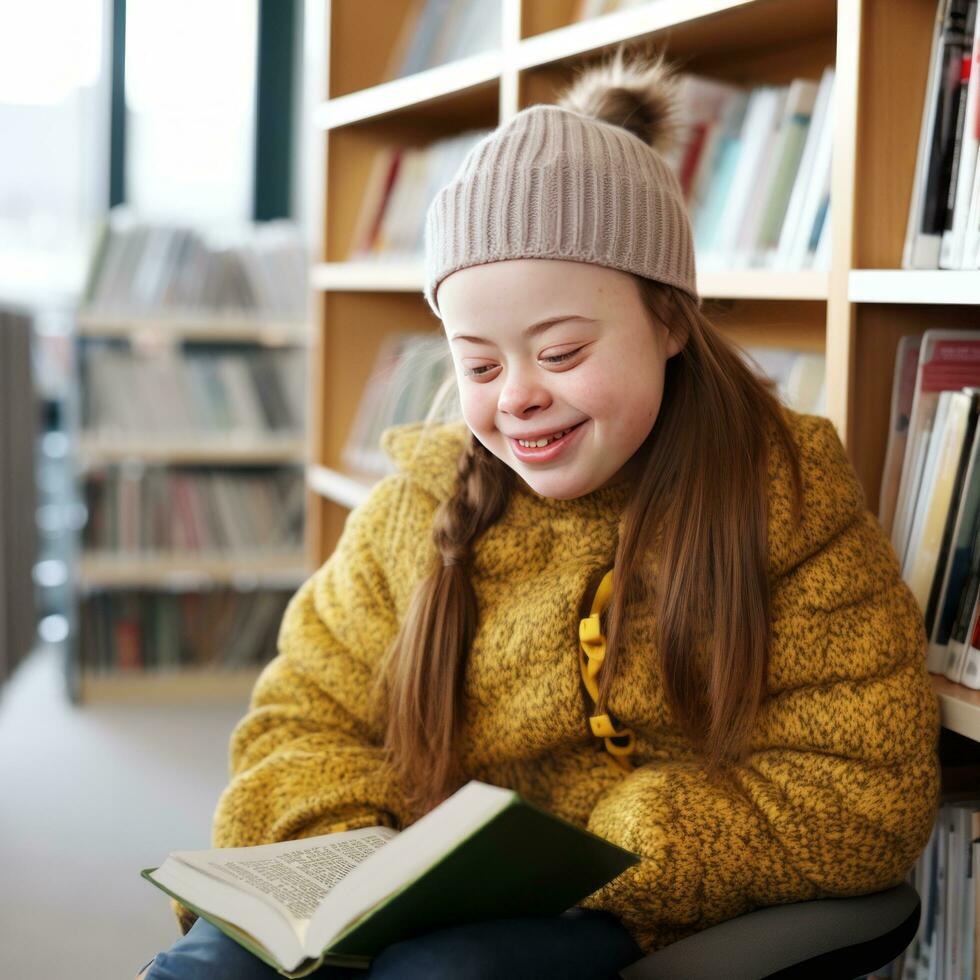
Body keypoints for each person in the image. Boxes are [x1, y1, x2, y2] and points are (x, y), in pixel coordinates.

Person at [139, 44, 941, 980]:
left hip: (637, 908)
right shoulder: (422, 505)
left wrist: (623, 843)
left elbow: (864, 789)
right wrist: (353, 850)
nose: (515, 398)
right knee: (210, 968)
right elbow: (298, 717)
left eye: (559, 353)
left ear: (671, 320)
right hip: (411, 878)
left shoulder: (783, 498)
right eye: (478, 365)